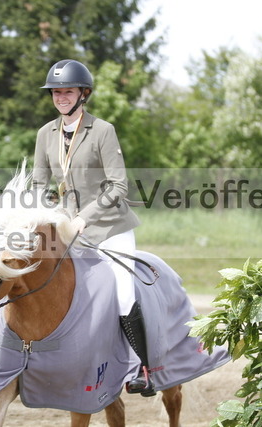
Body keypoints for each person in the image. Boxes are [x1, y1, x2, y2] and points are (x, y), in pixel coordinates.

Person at [32, 59, 155, 396]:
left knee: (122, 293)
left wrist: (84, 217)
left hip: (109, 227)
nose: (61, 98)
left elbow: (118, 186)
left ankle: (142, 368)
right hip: (68, 228)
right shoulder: (45, 134)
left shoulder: (102, 130)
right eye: (56, 92)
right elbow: (39, 184)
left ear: (83, 94)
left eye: (67, 92)